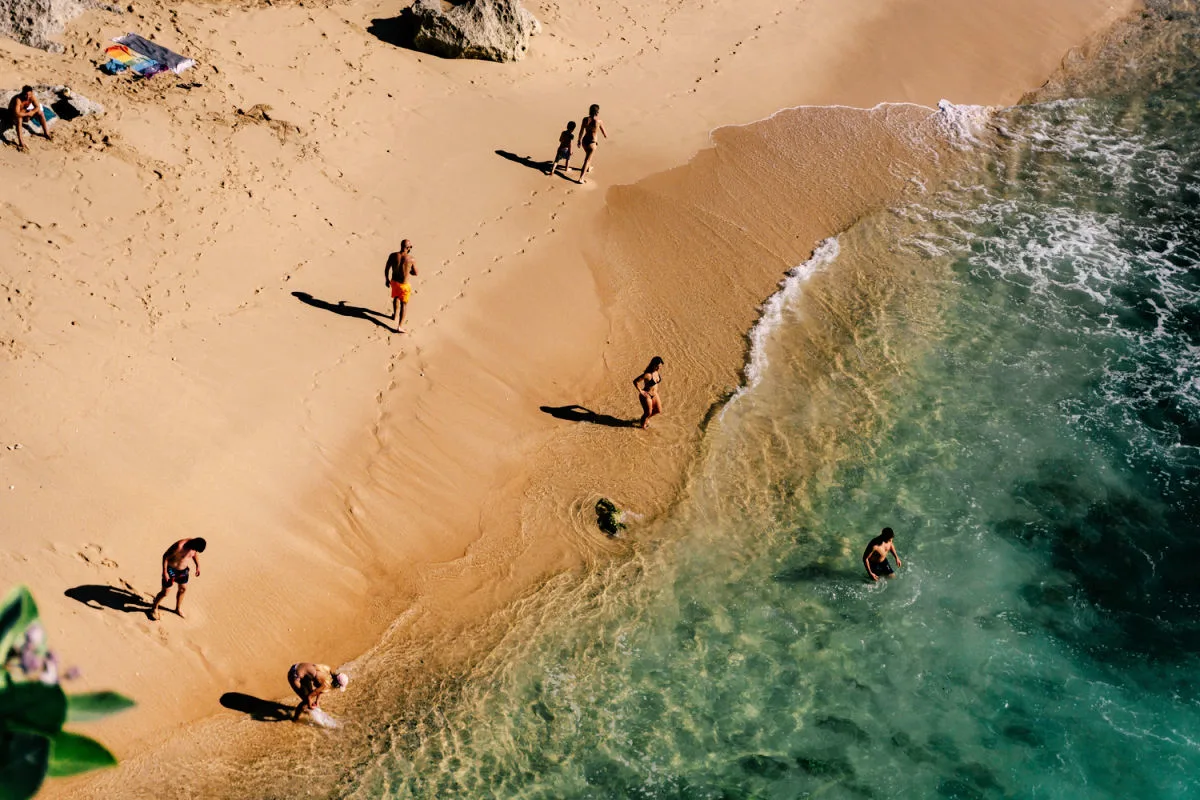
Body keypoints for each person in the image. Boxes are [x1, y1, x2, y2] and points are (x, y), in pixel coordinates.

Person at [150, 537, 206, 620]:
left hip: (183, 572)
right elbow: (165, 556)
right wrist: (165, 572)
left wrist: (198, 566)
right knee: (165, 592)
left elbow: (194, 554)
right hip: (171, 571)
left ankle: (177, 609)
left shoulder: (194, 547)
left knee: (183, 589)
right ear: (193, 544)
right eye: (195, 549)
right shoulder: (180, 546)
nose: (195, 550)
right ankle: (154, 608)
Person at [384, 239, 418, 333]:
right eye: (410, 246)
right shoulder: (411, 259)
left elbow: (387, 268)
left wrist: (386, 279)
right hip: (404, 285)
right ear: (408, 248)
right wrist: (409, 270)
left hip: (394, 282)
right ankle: (399, 326)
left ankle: (395, 315)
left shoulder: (393, 255)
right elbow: (416, 273)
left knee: (395, 297)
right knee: (404, 304)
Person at [7, 87, 53, 152]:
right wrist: (28, 114)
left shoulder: (32, 97)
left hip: (24, 112)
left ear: (32, 93)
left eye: (29, 95)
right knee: (19, 119)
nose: (28, 97)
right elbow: (17, 113)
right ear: (22, 93)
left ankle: (46, 133)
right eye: (26, 95)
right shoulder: (18, 99)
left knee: (41, 112)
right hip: (13, 114)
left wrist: (32, 112)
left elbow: (37, 107)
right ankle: (21, 142)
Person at [576, 104, 608, 184]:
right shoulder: (599, 121)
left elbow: (581, 130)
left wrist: (579, 140)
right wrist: (605, 136)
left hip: (584, 141)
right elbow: (605, 133)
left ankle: (589, 168)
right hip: (592, 143)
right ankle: (581, 178)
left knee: (587, 155)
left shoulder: (585, 119)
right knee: (587, 159)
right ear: (597, 112)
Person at [633, 356, 664, 429]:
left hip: (655, 394)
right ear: (654, 365)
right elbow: (635, 381)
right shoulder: (648, 375)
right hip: (647, 396)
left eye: (660, 366)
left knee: (659, 410)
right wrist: (641, 391)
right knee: (648, 413)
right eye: (658, 366)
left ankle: (645, 419)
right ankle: (642, 426)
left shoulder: (656, 372)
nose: (659, 368)